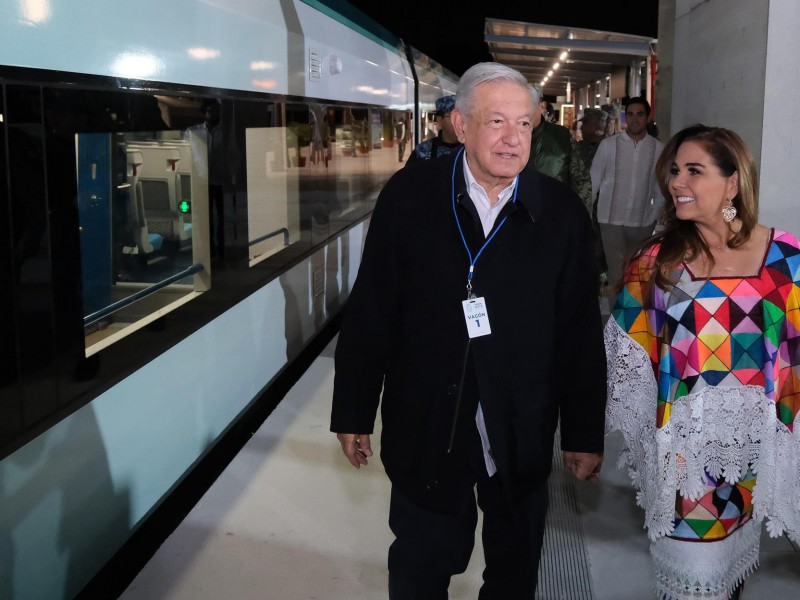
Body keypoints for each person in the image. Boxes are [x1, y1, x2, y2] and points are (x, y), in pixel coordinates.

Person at [331, 62, 606, 599]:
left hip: (520, 429)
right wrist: (354, 410)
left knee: (514, 574)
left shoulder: (560, 213)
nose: (512, 138)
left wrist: (582, 433)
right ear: (461, 125)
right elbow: (372, 310)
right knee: (419, 568)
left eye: (524, 124)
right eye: (496, 121)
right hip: (430, 424)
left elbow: (578, 334)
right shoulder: (410, 198)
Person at [604, 124, 800, 600]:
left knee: (733, 575)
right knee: (693, 582)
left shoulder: (786, 259)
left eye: (695, 170)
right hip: (686, 459)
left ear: (732, 182)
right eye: (674, 171)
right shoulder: (657, 261)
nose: (677, 182)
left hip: (758, 453)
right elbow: (628, 356)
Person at [590, 96, 664, 287]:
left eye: (640, 114)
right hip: (610, 220)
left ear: (648, 117)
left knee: (639, 277)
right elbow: (593, 181)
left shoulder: (658, 149)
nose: (634, 119)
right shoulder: (608, 146)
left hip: (643, 222)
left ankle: (636, 317)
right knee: (616, 275)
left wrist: (653, 217)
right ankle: (617, 317)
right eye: (630, 114)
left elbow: (661, 188)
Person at [570, 108, 609, 280]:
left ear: (596, 125)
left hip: (599, 210)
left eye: (585, 124)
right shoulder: (580, 148)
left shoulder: (607, 149)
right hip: (582, 208)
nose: (582, 128)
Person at [526, 85, 572, 184]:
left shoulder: (561, 135)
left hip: (555, 197)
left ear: (542, 106)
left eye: (528, 104)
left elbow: (578, 175)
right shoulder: (510, 134)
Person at [406, 95, 461, 163]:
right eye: (453, 116)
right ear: (439, 120)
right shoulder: (423, 150)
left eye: (462, 116)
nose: (459, 121)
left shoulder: (471, 149)